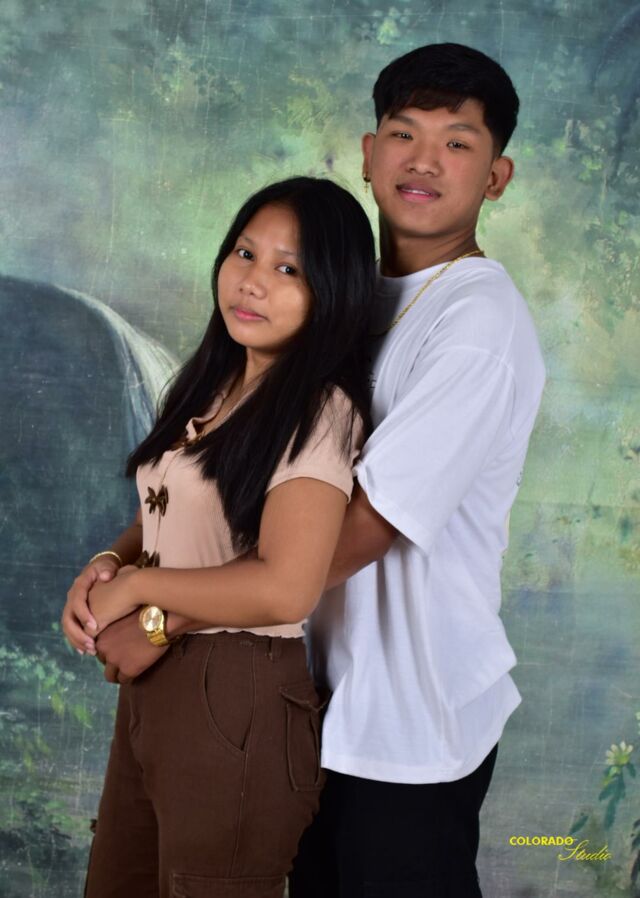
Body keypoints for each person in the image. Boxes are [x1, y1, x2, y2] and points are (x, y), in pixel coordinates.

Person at [61, 176, 376, 898]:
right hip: (153, 687)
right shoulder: (211, 383)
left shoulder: (320, 411)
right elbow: (165, 514)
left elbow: (286, 587)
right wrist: (108, 563)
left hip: (236, 694)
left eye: (288, 269)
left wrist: (139, 593)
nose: (252, 281)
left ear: (333, 292)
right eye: (244, 252)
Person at [285, 43, 546, 898]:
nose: (424, 160)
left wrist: (173, 609)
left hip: (411, 722)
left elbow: (366, 528)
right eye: (404, 133)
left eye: (457, 142)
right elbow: (239, 451)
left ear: (496, 177)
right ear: (369, 154)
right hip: (319, 702)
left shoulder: (478, 321)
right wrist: (129, 557)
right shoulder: (341, 293)